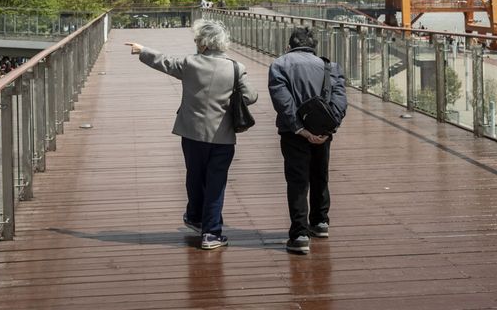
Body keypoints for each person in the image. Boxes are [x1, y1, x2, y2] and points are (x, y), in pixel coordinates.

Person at [125, 19, 256, 251]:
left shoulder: (190, 64)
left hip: (192, 133)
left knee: (194, 176)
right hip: (222, 136)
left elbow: (163, 61)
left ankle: (195, 217)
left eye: (197, 40)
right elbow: (251, 96)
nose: (195, 44)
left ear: (205, 44)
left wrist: (142, 50)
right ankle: (211, 233)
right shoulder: (236, 68)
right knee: (216, 183)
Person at [268, 27, 347, 255]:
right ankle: (321, 222)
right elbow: (340, 101)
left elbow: (282, 101)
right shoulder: (329, 67)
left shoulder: (279, 65)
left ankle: (300, 235)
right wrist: (328, 128)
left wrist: (300, 128)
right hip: (323, 132)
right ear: (314, 47)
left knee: (297, 181)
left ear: (289, 45)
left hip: (293, 133)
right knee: (320, 175)